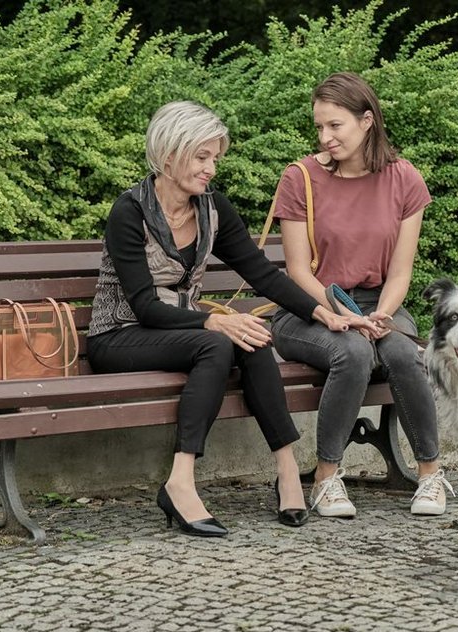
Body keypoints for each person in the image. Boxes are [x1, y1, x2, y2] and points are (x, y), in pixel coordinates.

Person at [86, 100, 377, 536]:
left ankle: (285, 472)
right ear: (169, 155)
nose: (211, 169)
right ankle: (180, 483)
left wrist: (327, 315)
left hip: (179, 334)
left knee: (251, 335)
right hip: (120, 335)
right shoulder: (130, 211)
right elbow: (144, 306)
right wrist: (211, 321)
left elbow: (261, 273)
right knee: (221, 337)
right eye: (202, 157)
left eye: (215, 158)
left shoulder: (211, 208)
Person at [270, 72, 454, 518]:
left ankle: (430, 474)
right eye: (319, 127)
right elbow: (296, 271)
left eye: (336, 125)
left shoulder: (404, 178)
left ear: (367, 121)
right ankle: (326, 478)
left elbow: (400, 271)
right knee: (352, 350)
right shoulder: (301, 178)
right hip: (309, 309)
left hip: (379, 305)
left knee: (404, 353)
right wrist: (343, 316)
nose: (325, 136)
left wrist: (382, 316)